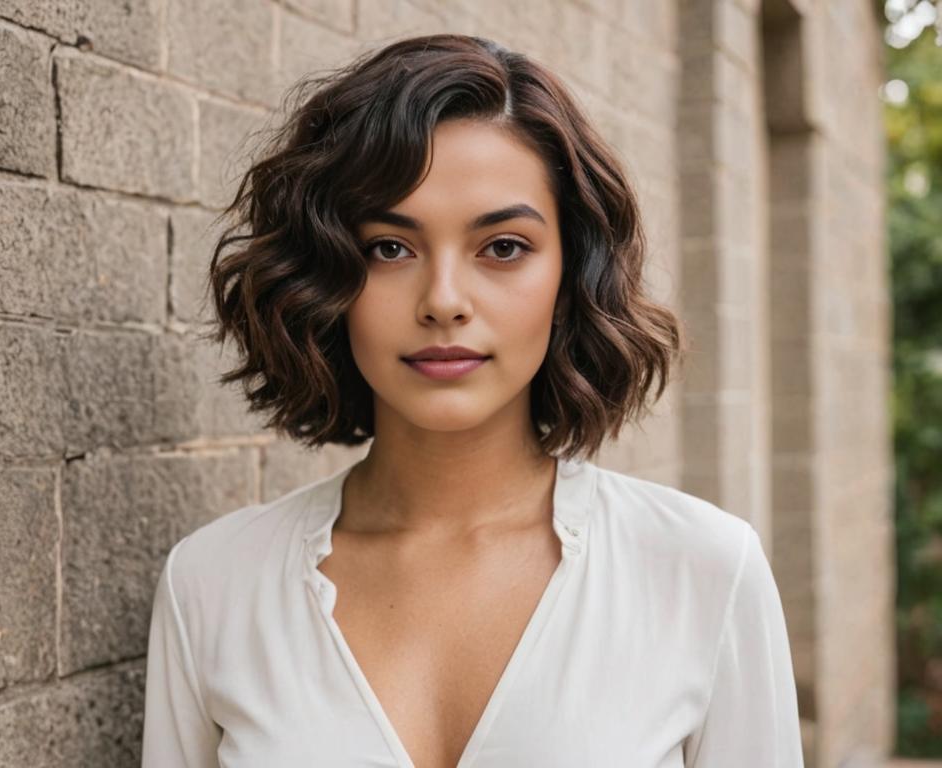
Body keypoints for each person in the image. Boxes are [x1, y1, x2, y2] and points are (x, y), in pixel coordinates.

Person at [141, 33, 805, 768]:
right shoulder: (213, 584)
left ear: (570, 275)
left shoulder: (701, 570)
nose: (444, 301)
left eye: (503, 247)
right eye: (389, 248)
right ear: (327, 276)